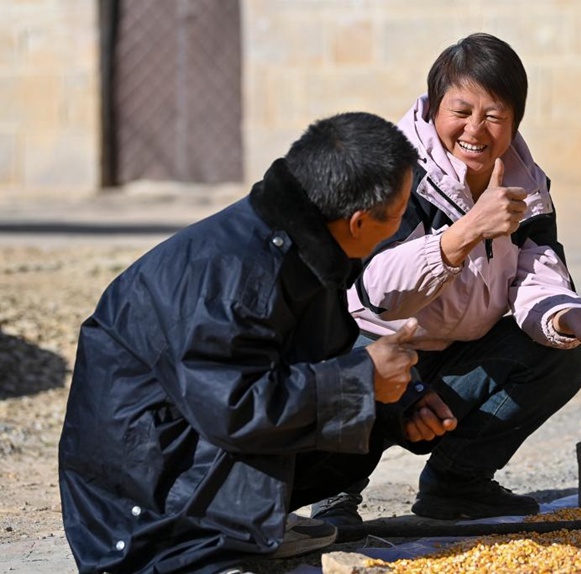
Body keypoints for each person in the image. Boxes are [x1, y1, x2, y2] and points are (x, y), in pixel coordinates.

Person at [58, 112, 421, 574]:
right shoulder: (234, 277)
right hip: (141, 515)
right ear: (358, 222)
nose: (402, 224)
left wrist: (400, 401)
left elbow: (315, 357)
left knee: (360, 415)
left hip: (186, 442)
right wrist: (363, 379)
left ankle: (253, 524)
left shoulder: (301, 239)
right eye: (399, 214)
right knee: (349, 397)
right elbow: (233, 408)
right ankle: (211, 543)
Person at [311, 33, 581, 525]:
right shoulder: (392, 173)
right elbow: (373, 293)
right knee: (342, 353)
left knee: (564, 352)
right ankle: (334, 492)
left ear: (515, 120)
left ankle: (457, 484)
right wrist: (464, 234)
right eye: (461, 111)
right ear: (432, 108)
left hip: (452, 360)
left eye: (494, 116)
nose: (475, 130)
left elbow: (536, 269)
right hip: (373, 348)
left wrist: (568, 315)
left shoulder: (526, 185)